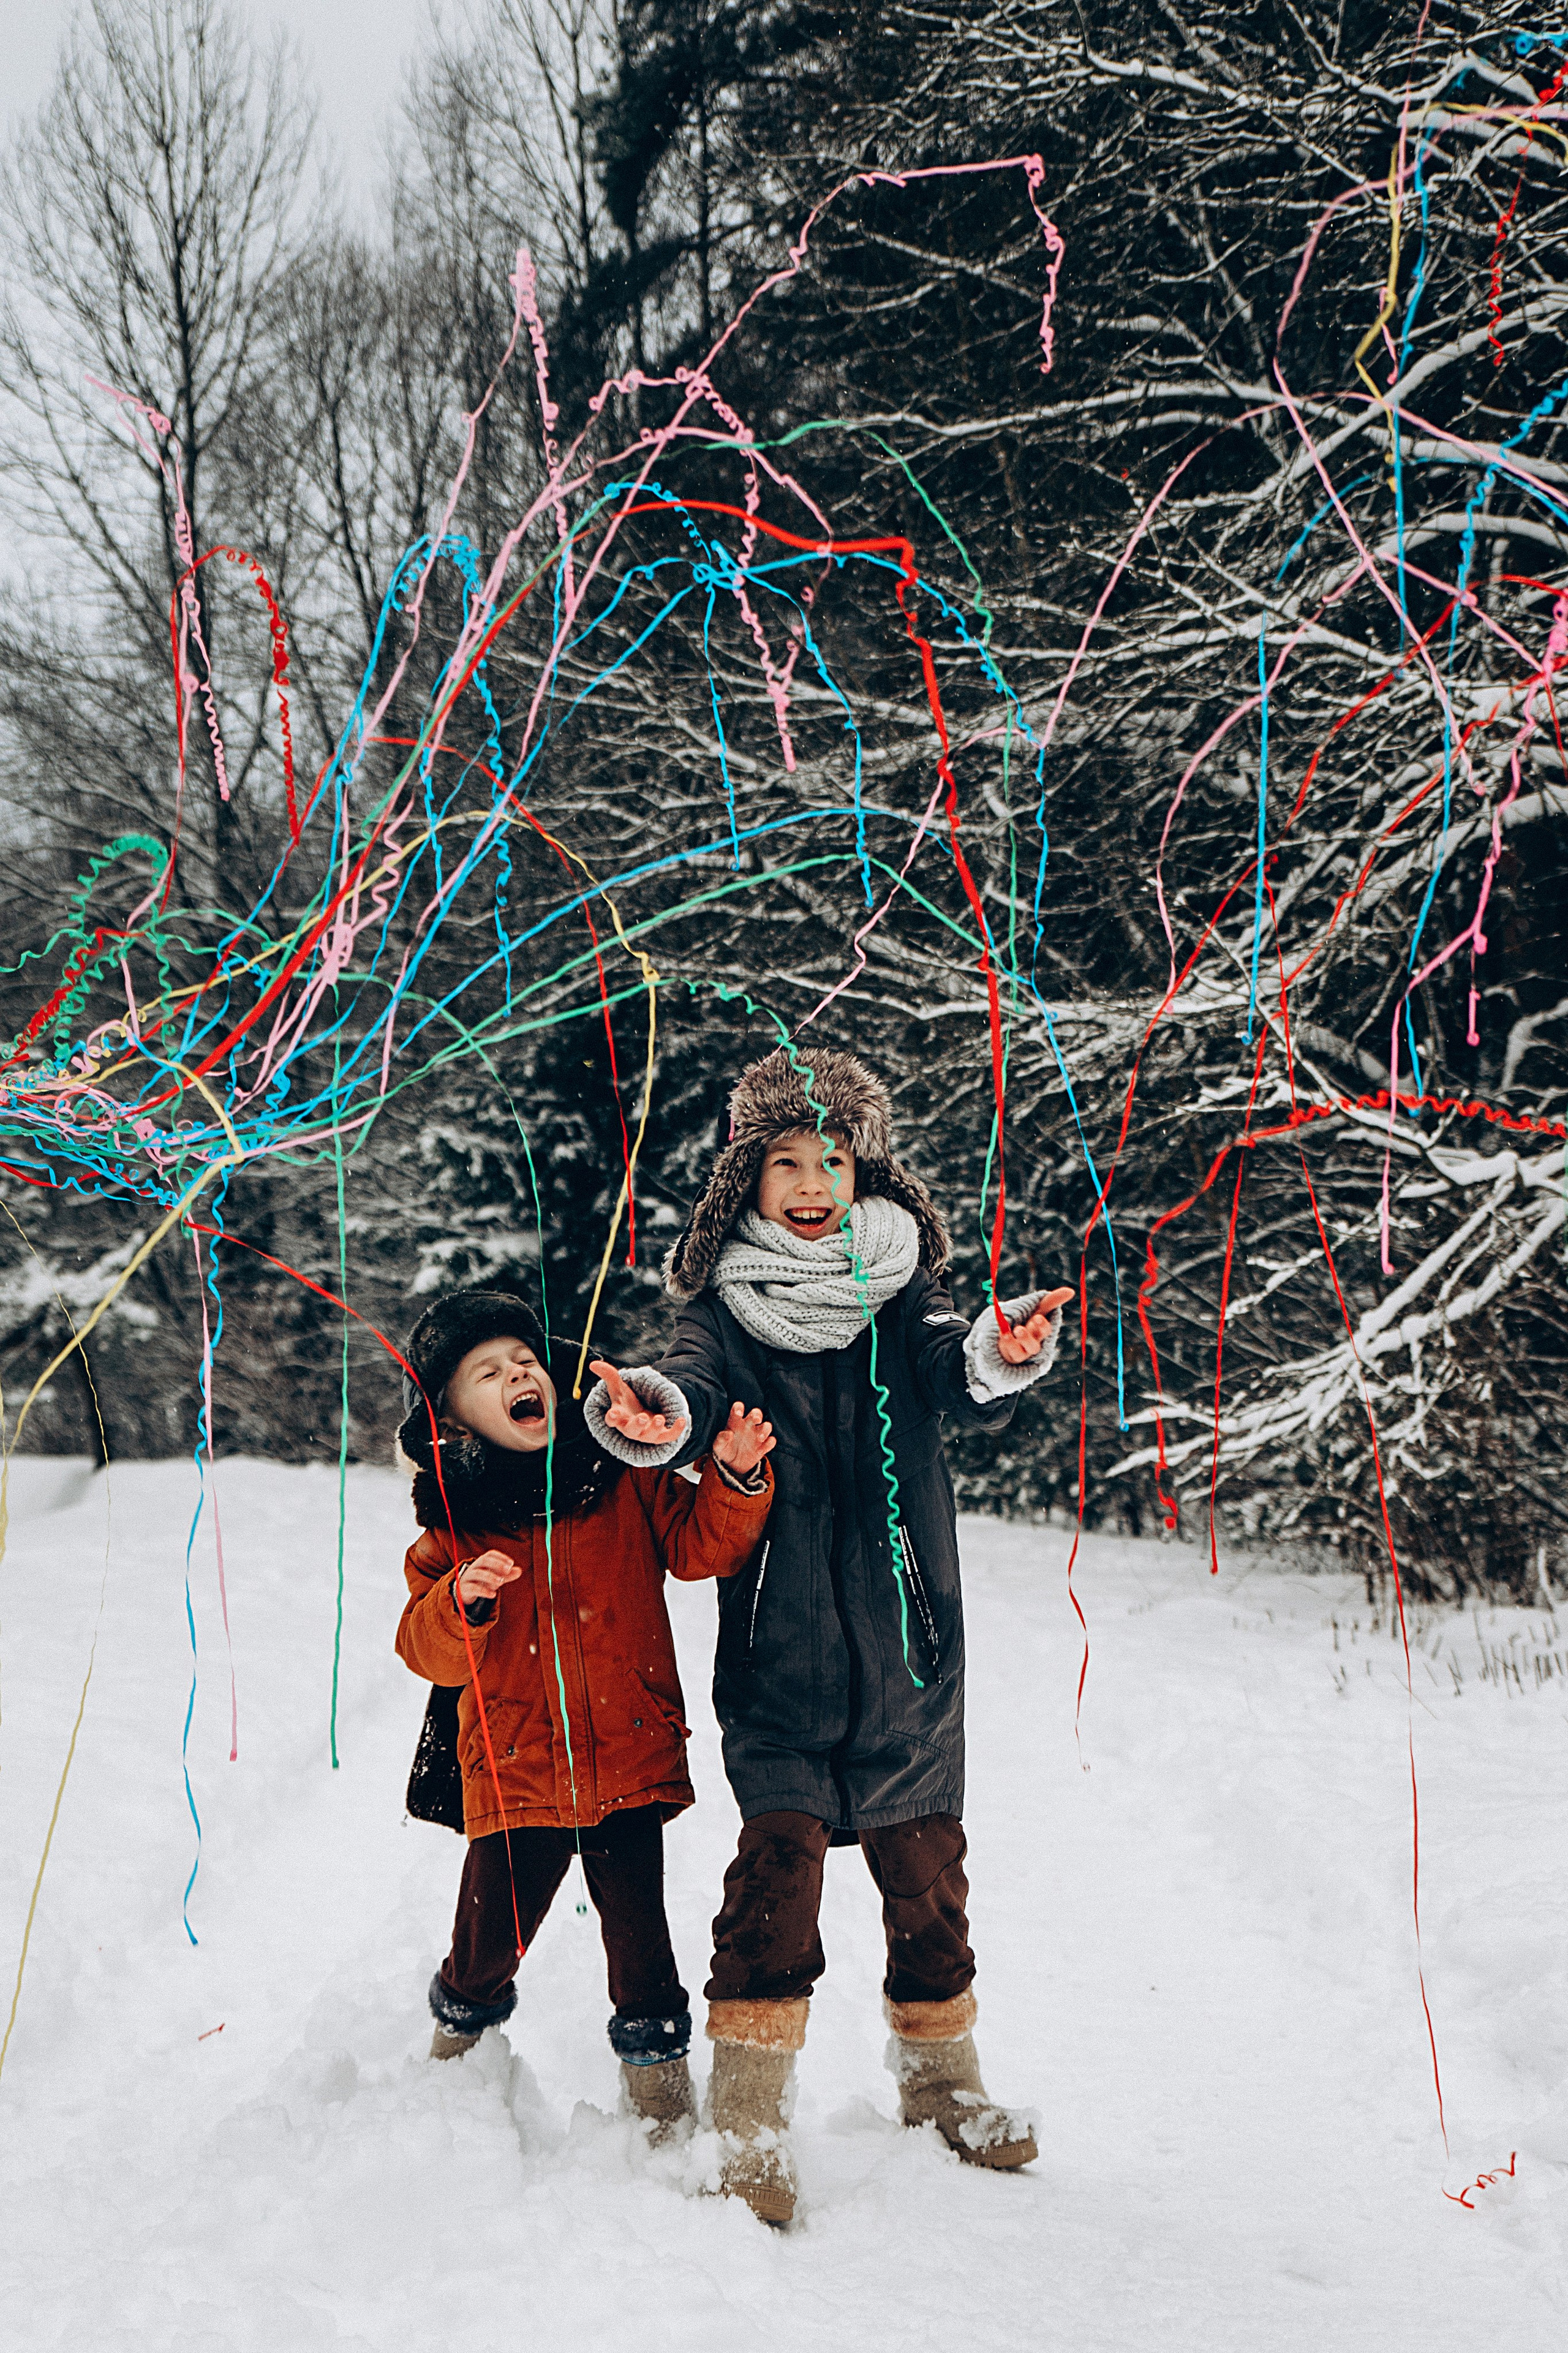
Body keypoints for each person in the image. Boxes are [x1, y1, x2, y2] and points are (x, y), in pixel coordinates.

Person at [584, 1048, 1071, 2224]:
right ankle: (749, 2111)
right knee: (777, 1876)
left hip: (911, 1660)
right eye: (786, 1162)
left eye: (833, 1160)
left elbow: (958, 1366)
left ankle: (943, 2083)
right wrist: (657, 1409)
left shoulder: (902, 1297)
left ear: (866, 1172)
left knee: (928, 1878)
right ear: (746, 1181)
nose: (811, 1182)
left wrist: (1000, 1351)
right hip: (782, 1666)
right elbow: (687, 1385)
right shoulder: (723, 1314)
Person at [394, 1286, 774, 2141]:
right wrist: (461, 1602)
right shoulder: (454, 1522)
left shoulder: (616, 1477)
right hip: (518, 1767)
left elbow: (699, 1544)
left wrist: (736, 1475)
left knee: (643, 1946)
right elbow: (426, 1649)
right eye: (487, 1372)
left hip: (628, 1756)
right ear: (451, 1418)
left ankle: (662, 2106)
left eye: (526, 1361)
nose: (516, 1374)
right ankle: (453, 2063)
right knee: (488, 1943)